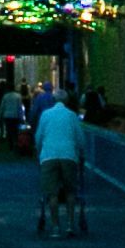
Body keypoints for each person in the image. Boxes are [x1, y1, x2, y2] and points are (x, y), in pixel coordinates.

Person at [33, 87, 88, 237]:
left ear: (53, 100)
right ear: (67, 101)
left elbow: (38, 137)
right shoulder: (72, 116)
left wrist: (39, 153)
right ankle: (70, 225)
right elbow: (80, 139)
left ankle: (55, 227)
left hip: (49, 156)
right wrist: (82, 154)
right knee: (70, 192)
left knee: (52, 194)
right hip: (69, 155)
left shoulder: (45, 115)